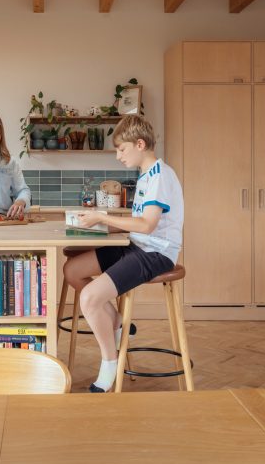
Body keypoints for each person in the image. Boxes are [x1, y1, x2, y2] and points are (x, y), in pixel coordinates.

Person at [63, 115, 184, 392]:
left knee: (89, 298)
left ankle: (109, 363)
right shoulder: (146, 175)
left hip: (156, 254)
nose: (118, 156)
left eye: (121, 149)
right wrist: (98, 226)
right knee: (72, 270)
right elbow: (137, 224)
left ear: (139, 144)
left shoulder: (160, 176)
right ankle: (116, 321)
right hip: (137, 245)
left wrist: (102, 217)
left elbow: (147, 225)